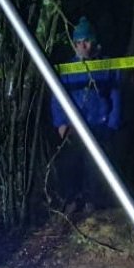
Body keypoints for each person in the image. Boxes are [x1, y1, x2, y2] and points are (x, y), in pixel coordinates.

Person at [49, 16, 122, 211]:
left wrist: (113, 123)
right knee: (70, 164)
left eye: (86, 41)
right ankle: (71, 200)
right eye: (78, 42)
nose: (83, 46)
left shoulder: (107, 65)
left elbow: (116, 95)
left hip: (100, 125)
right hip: (74, 127)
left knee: (96, 167)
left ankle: (94, 203)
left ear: (94, 41)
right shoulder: (68, 68)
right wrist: (61, 123)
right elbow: (57, 98)